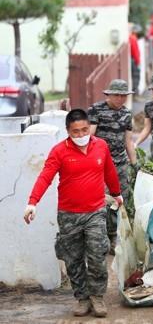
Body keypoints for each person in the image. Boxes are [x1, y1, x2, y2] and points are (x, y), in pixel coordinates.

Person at [24, 109, 122, 318]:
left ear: (89, 127)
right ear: (68, 131)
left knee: (97, 255)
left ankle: (97, 296)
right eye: (76, 131)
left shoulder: (101, 146)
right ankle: (82, 298)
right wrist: (32, 202)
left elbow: (109, 171)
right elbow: (45, 177)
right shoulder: (59, 151)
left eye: (84, 129)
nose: (81, 135)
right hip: (69, 214)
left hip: (95, 211)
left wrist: (116, 194)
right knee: (73, 259)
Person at [87, 79, 136, 252]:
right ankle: (103, 238)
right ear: (109, 94)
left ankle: (117, 237)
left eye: (123, 96)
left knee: (122, 200)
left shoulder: (127, 114)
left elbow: (128, 141)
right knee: (103, 201)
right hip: (101, 164)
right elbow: (90, 136)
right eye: (117, 95)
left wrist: (134, 164)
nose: (120, 99)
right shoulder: (96, 110)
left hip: (121, 164)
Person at [129, 24, 141, 93]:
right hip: (134, 60)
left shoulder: (131, 38)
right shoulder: (133, 38)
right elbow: (135, 51)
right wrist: (138, 61)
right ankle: (135, 92)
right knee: (136, 76)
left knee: (134, 76)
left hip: (132, 59)